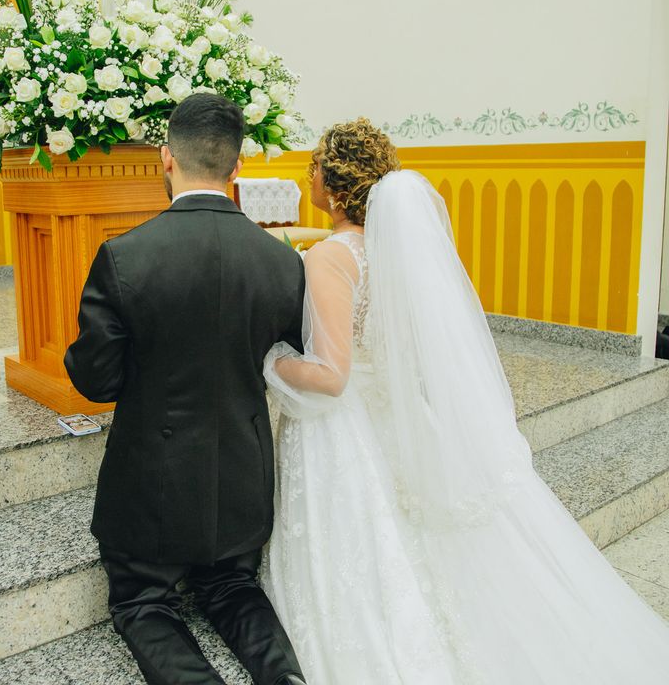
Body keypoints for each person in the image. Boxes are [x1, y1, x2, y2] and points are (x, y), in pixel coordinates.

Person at [262, 118, 669, 684]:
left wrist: (270, 359)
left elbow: (332, 376)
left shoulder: (331, 256)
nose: (306, 176)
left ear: (332, 185)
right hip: (394, 410)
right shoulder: (398, 254)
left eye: (312, 168)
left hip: (348, 423)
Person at [65, 93, 307, 685]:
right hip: (240, 477)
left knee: (143, 603)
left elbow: (96, 381)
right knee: (233, 587)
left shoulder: (125, 257)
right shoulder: (282, 262)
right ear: (237, 167)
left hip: (153, 482)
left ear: (165, 158)